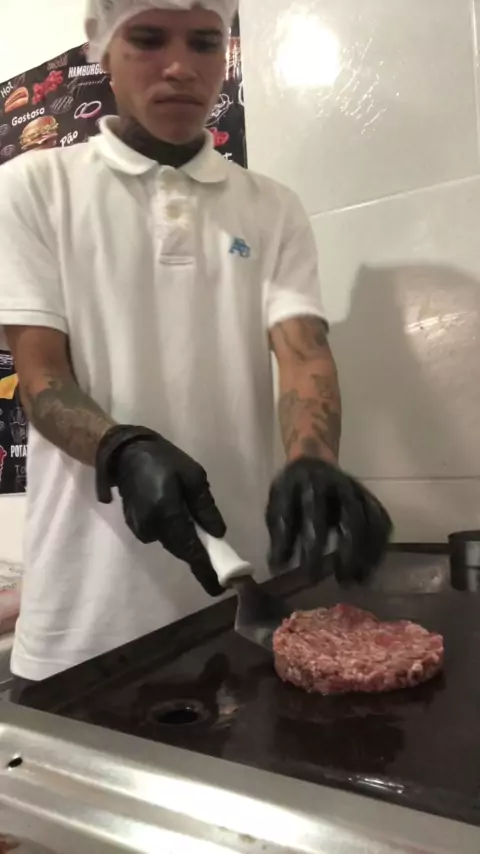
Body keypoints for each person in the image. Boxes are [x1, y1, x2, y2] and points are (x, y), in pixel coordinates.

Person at [0, 0, 391, 683]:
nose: (180, 67)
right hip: (82, 620)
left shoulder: (271, 207)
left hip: (242, 611)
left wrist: (313, 460)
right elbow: (41, 378)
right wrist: (121, 449)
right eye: (149, 39)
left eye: (205, 43)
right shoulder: (33, 188)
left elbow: (303, 354)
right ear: (103, 51)